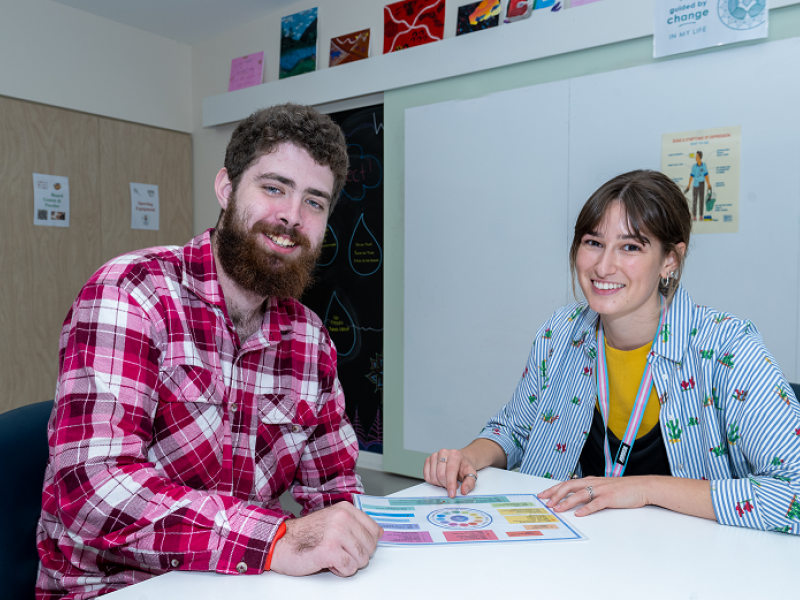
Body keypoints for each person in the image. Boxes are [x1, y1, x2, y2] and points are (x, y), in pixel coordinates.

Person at [37, 104, 383, 599]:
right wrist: (276, 539)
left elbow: (333, 490)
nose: (291, 215)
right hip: (114, 588)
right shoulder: (133, 294)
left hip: (238, 582)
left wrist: (341, 535)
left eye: (315, 202)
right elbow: (95, 492)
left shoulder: (310, 340)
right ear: (226, 188)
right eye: (273, 188)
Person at [424, 170, 800, 534]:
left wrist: (643, 488)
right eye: (593, 242)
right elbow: (515, 430)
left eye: (631, 246)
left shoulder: (726, 347)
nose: (604, 266)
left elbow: (794, 492)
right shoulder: (561, 334)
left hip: (688, 570)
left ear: (670, 259)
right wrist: (468, 456)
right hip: (567, 549)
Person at [684, 151, 712, 221]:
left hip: (702, 183)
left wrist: (708, 183)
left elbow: (706, 175)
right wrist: (688, 185)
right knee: (695, 200)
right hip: (695, 184)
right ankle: (694, 216)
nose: (695, 158)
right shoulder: (694, 166)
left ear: (699, 157)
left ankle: (701, 215)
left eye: (696, 156)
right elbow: (691, 176)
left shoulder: (704, 165)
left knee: (701, 200)